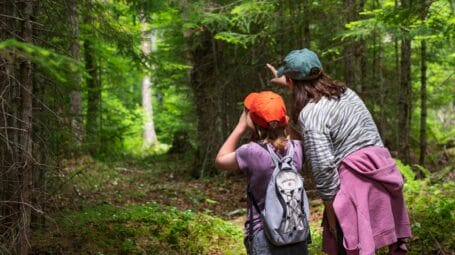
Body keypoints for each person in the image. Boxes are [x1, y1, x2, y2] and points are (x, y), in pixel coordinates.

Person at [266, 48, 412, 255]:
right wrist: (292, 82)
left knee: (346, 246)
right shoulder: (346, 93)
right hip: (381, 174)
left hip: (355, 187)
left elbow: (324, 166)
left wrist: (331, 214)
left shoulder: (311, 114)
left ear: (292, 81)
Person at [215, 91, 309, 255]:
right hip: (296, 232)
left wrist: (240, 127)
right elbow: (301, 140)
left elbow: (220, 160)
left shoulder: (251, 152)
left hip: (263, 234)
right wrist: (283, 122)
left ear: (252, 121)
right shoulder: (298, 148)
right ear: (284, 119)